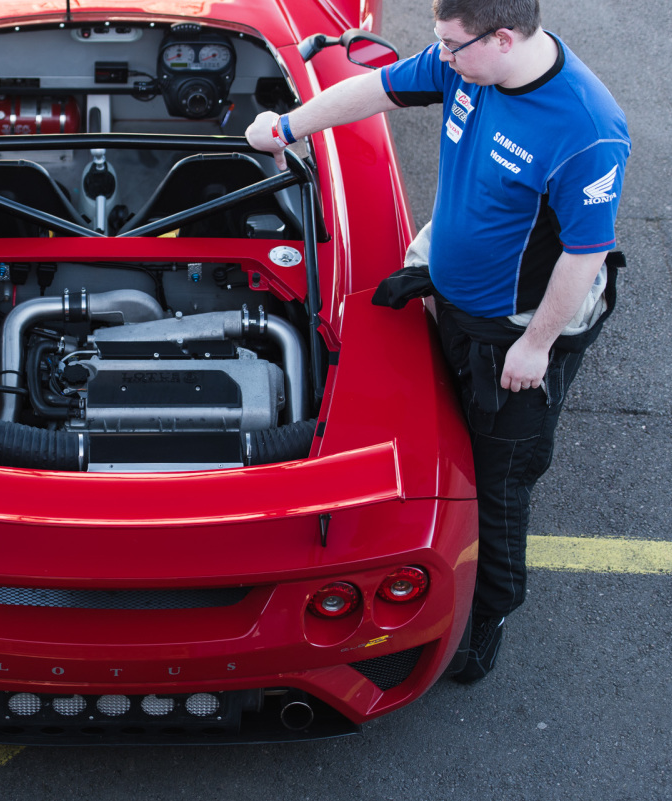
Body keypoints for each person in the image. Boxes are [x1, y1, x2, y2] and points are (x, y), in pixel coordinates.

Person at [247, 0, 629, 682]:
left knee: (500, 481)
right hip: (452, 293)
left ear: (503, 37)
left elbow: (584, 255)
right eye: (440, 44)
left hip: (510, 336)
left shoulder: (587, 129)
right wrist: (286, 126)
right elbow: (380, 88)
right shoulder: (470, 67)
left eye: (451, 46)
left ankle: (490, 613)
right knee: (438, 434)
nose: (441, 58)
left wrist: (535, 347)